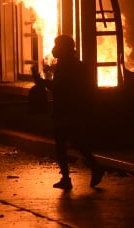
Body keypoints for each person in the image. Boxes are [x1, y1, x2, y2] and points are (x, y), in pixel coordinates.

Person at [33, 34, 105, 190]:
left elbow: (61, 88)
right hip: (72, 110)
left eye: (57, 45)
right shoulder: (72, 64)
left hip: (67, 110)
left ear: (64, 48)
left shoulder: (67, 66)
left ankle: (73, 175)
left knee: (65, 143)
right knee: (75, 142)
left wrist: (41, 82)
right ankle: (88, 169)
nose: (54, 49)